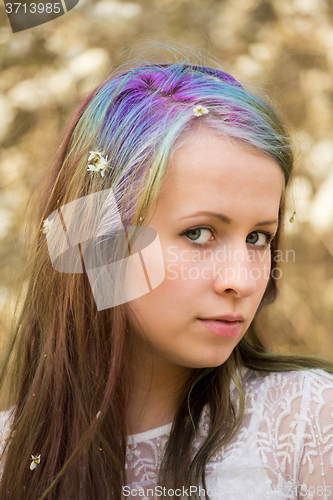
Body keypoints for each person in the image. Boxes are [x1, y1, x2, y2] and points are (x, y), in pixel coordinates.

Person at [0, 60, 332, 500]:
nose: (243, 281)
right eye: (198, 233)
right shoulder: (10, 455)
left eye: (257, 237)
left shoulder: (309, 423)